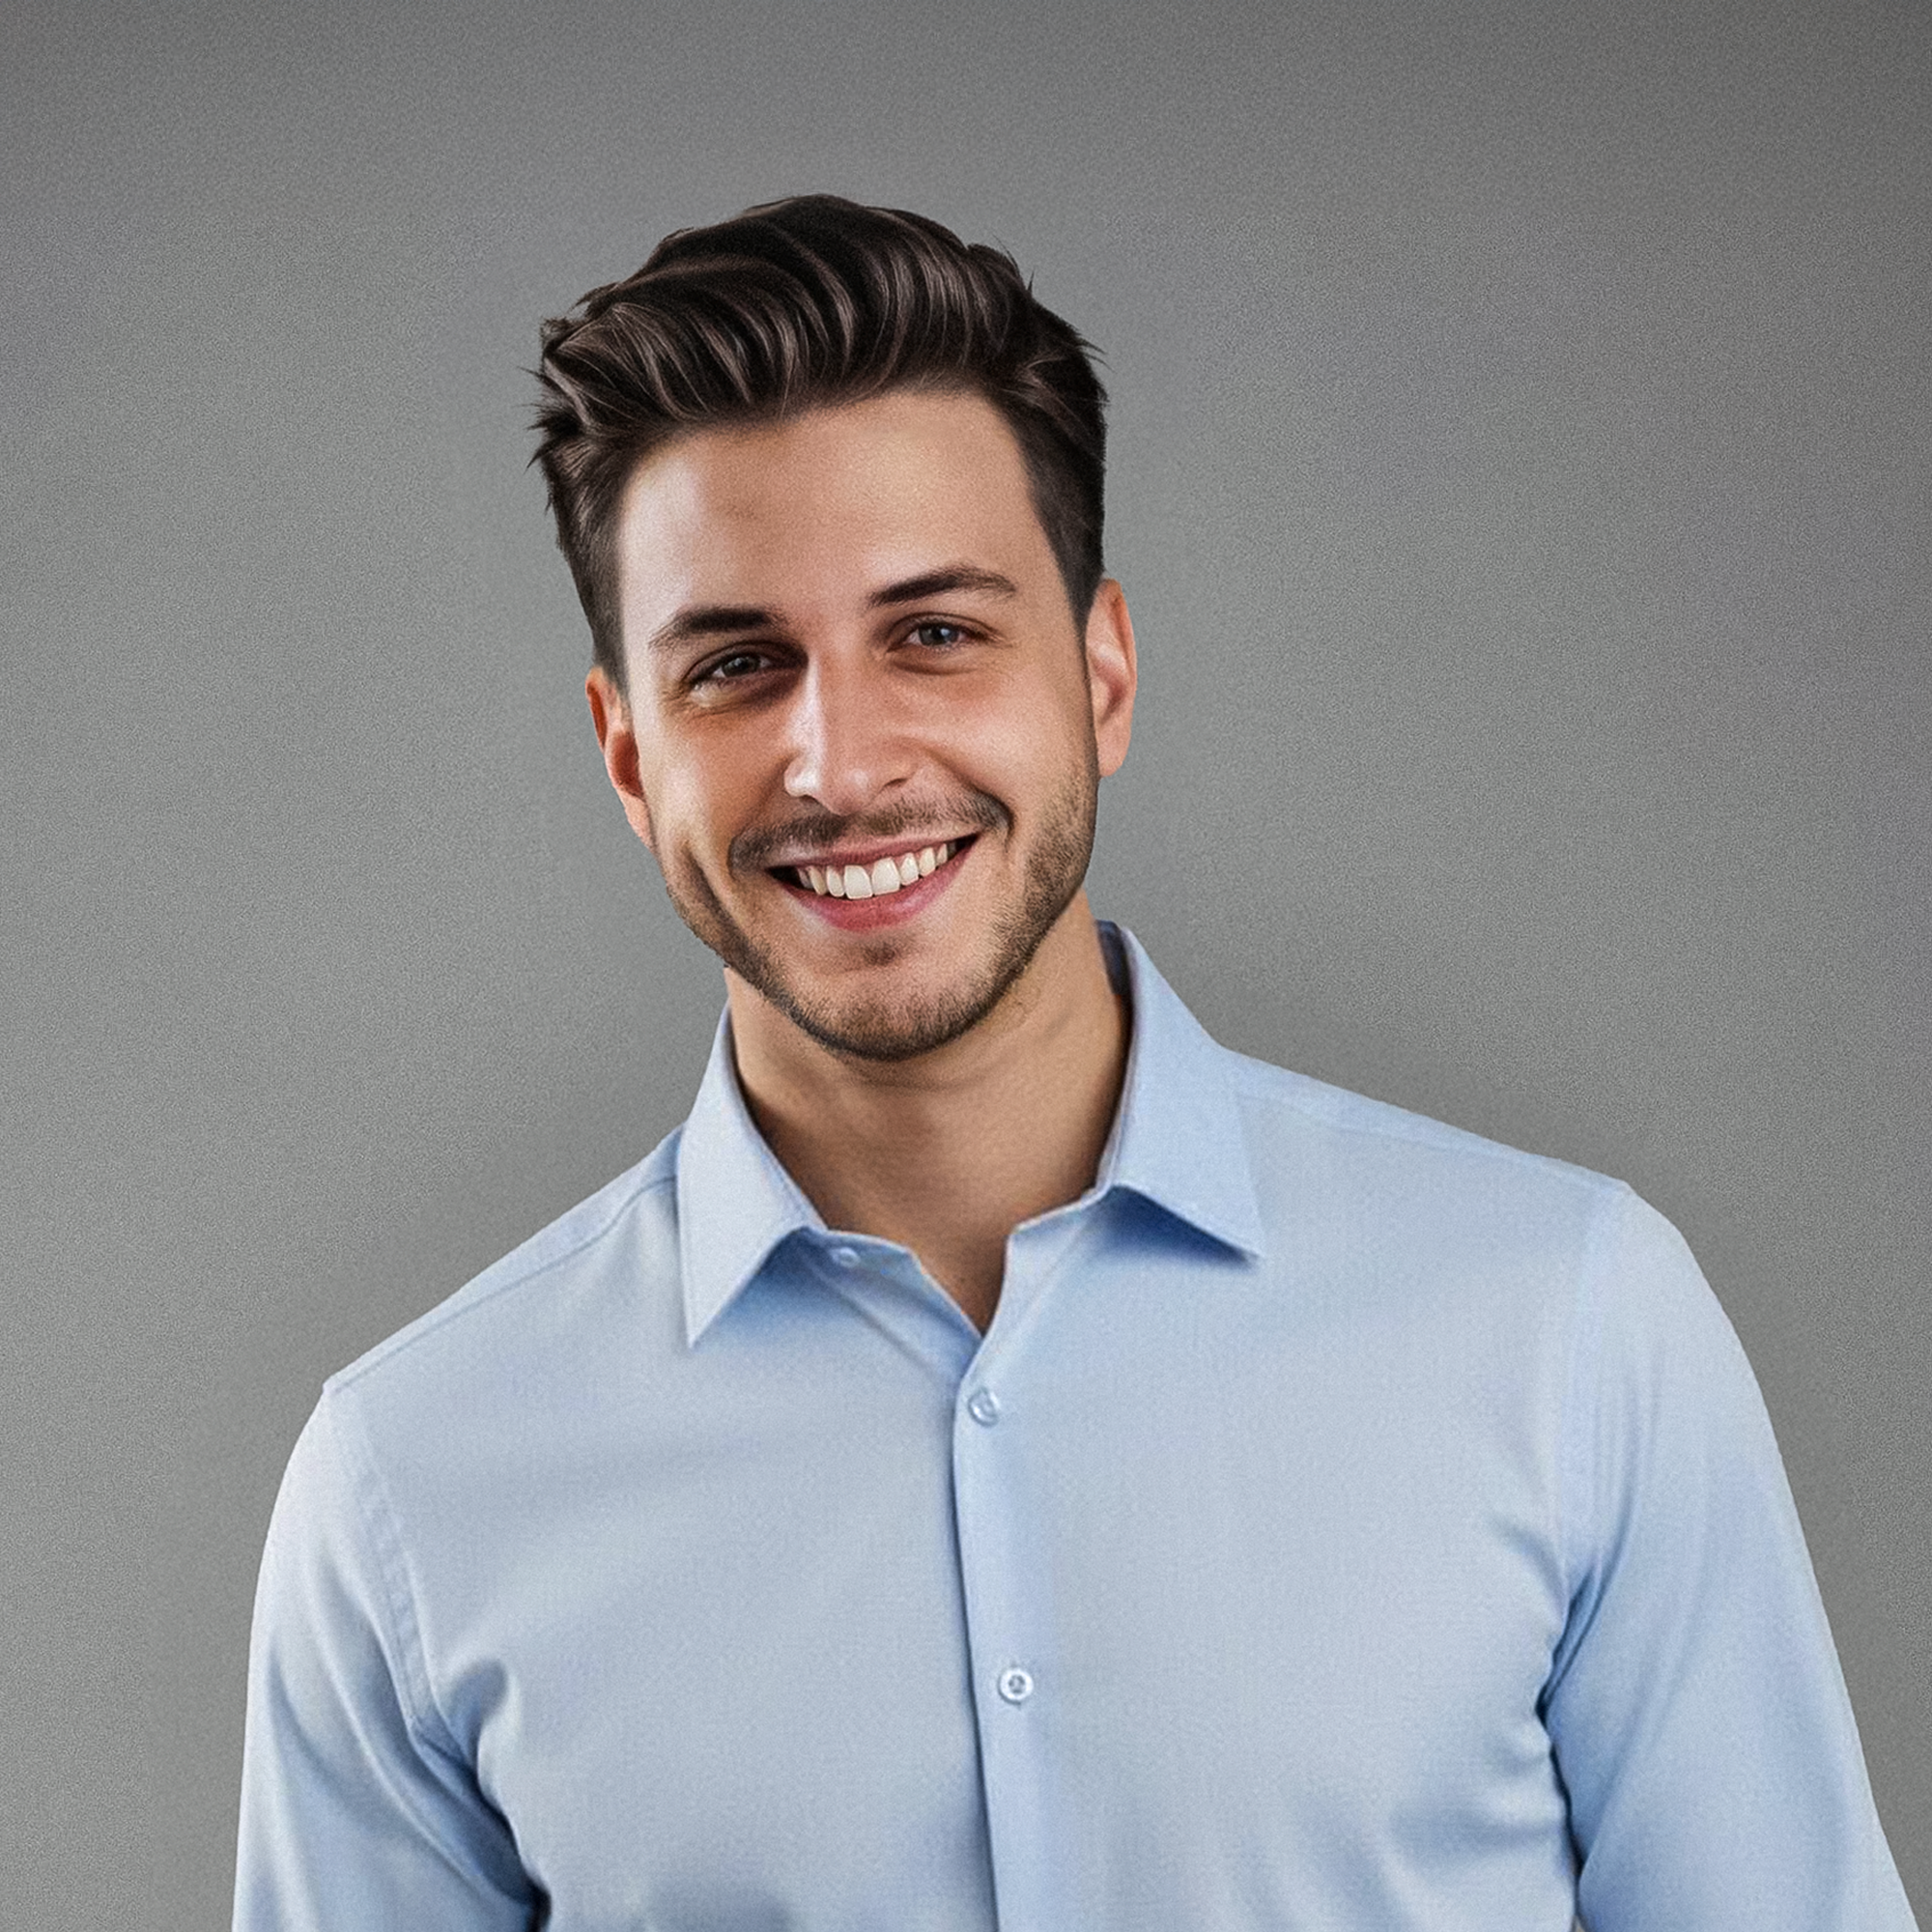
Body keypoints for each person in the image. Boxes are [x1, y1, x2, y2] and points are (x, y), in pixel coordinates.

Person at [232, 196, 1916, 1931]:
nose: (841, 761)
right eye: (738, 667)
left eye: (936, 633)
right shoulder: (411, 1489)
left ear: (1101, 673)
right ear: (626, 755)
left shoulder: (1570, 1328)